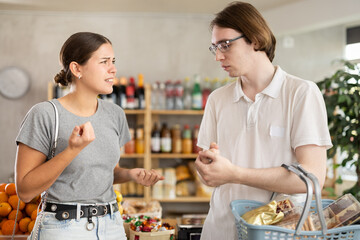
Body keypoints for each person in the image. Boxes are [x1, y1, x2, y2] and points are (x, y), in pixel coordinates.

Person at [194, 2, 332, 239]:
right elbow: (209, 173)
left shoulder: (301, 93)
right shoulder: (218, 99)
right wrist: (207, 168)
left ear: (255, 39)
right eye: (214, 47)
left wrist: (234, 173)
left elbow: (312, 178)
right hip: (219, 230)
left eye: (225, 45)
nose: (218, 56)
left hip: (275, 233)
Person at [15, 32, 164, 240]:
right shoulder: (45, 114)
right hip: (63, 226)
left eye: (113, 61)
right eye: (104, 62)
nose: (113, 69)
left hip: (111, 225)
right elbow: (25, 190)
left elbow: (100, 174)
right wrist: (72, 150)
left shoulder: (115, 114)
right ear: (77, 69)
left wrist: (130, 174)